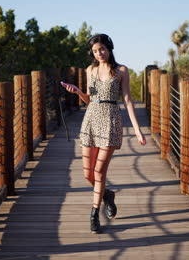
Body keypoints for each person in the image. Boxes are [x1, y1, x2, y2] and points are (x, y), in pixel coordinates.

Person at [62, 33, 146, 233]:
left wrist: (137, 130)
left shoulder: (121, 71)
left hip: (111, 120)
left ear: (109, 48)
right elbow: (90, 100)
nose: (99, 53)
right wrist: (78, 92)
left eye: (102, 49)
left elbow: (127, 100)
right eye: (95, 51)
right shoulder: (90, 70)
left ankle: (94, 214)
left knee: (99, 172)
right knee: (87, 174)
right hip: (90, 120)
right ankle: (107, 194)